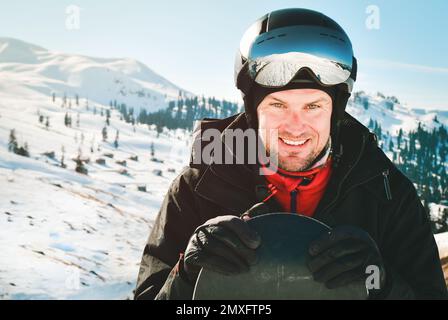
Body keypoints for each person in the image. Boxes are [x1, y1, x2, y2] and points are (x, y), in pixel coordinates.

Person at [134, 8, 447, 300]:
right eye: (278, 105)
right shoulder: (198, 188)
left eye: (313, 106)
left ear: (335, 113)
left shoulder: (386, 193)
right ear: (253, 112)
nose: (295, 128)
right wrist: (186, 274)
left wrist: (381, 282)